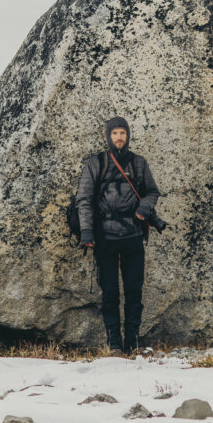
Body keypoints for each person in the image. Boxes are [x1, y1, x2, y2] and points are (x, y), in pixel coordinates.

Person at [76, 116, 160, 355]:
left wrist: (145, 208)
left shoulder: (139, 163)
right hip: (105, 238)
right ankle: (114, 344)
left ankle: (132, 342)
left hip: (133, 235)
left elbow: (152, 191)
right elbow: (83, 199)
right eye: (115, 133)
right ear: (108, 136)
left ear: (128, 135)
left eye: (122, 133)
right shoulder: (96, 163)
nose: (119, 137)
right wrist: (87, 231)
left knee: (134, 291)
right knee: (110, 292)